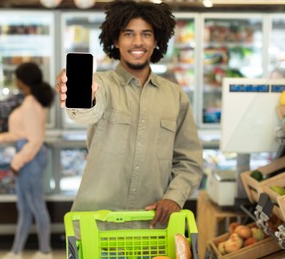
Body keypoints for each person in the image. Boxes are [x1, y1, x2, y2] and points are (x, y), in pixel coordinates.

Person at [56, 0, 203, 230]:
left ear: (157, 41)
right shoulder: (101, 84)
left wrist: (174, 196)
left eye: (146, 34)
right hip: (96, 227)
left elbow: (190, 160)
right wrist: (80, 92)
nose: (138, 42)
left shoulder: (175, 96)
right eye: (128, 34)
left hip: (151, 227)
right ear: (115, 39)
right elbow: (86, 112)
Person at [0, 62, 54, 259]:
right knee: (25, 207)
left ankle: (45, 251)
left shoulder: (30, 105)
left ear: (22, 81)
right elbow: (21, 133)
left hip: (29, 159)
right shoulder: (30, 102)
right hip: (28, 157)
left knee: (35, 206)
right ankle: (16, 251)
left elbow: (34, 140)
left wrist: (16, 162)